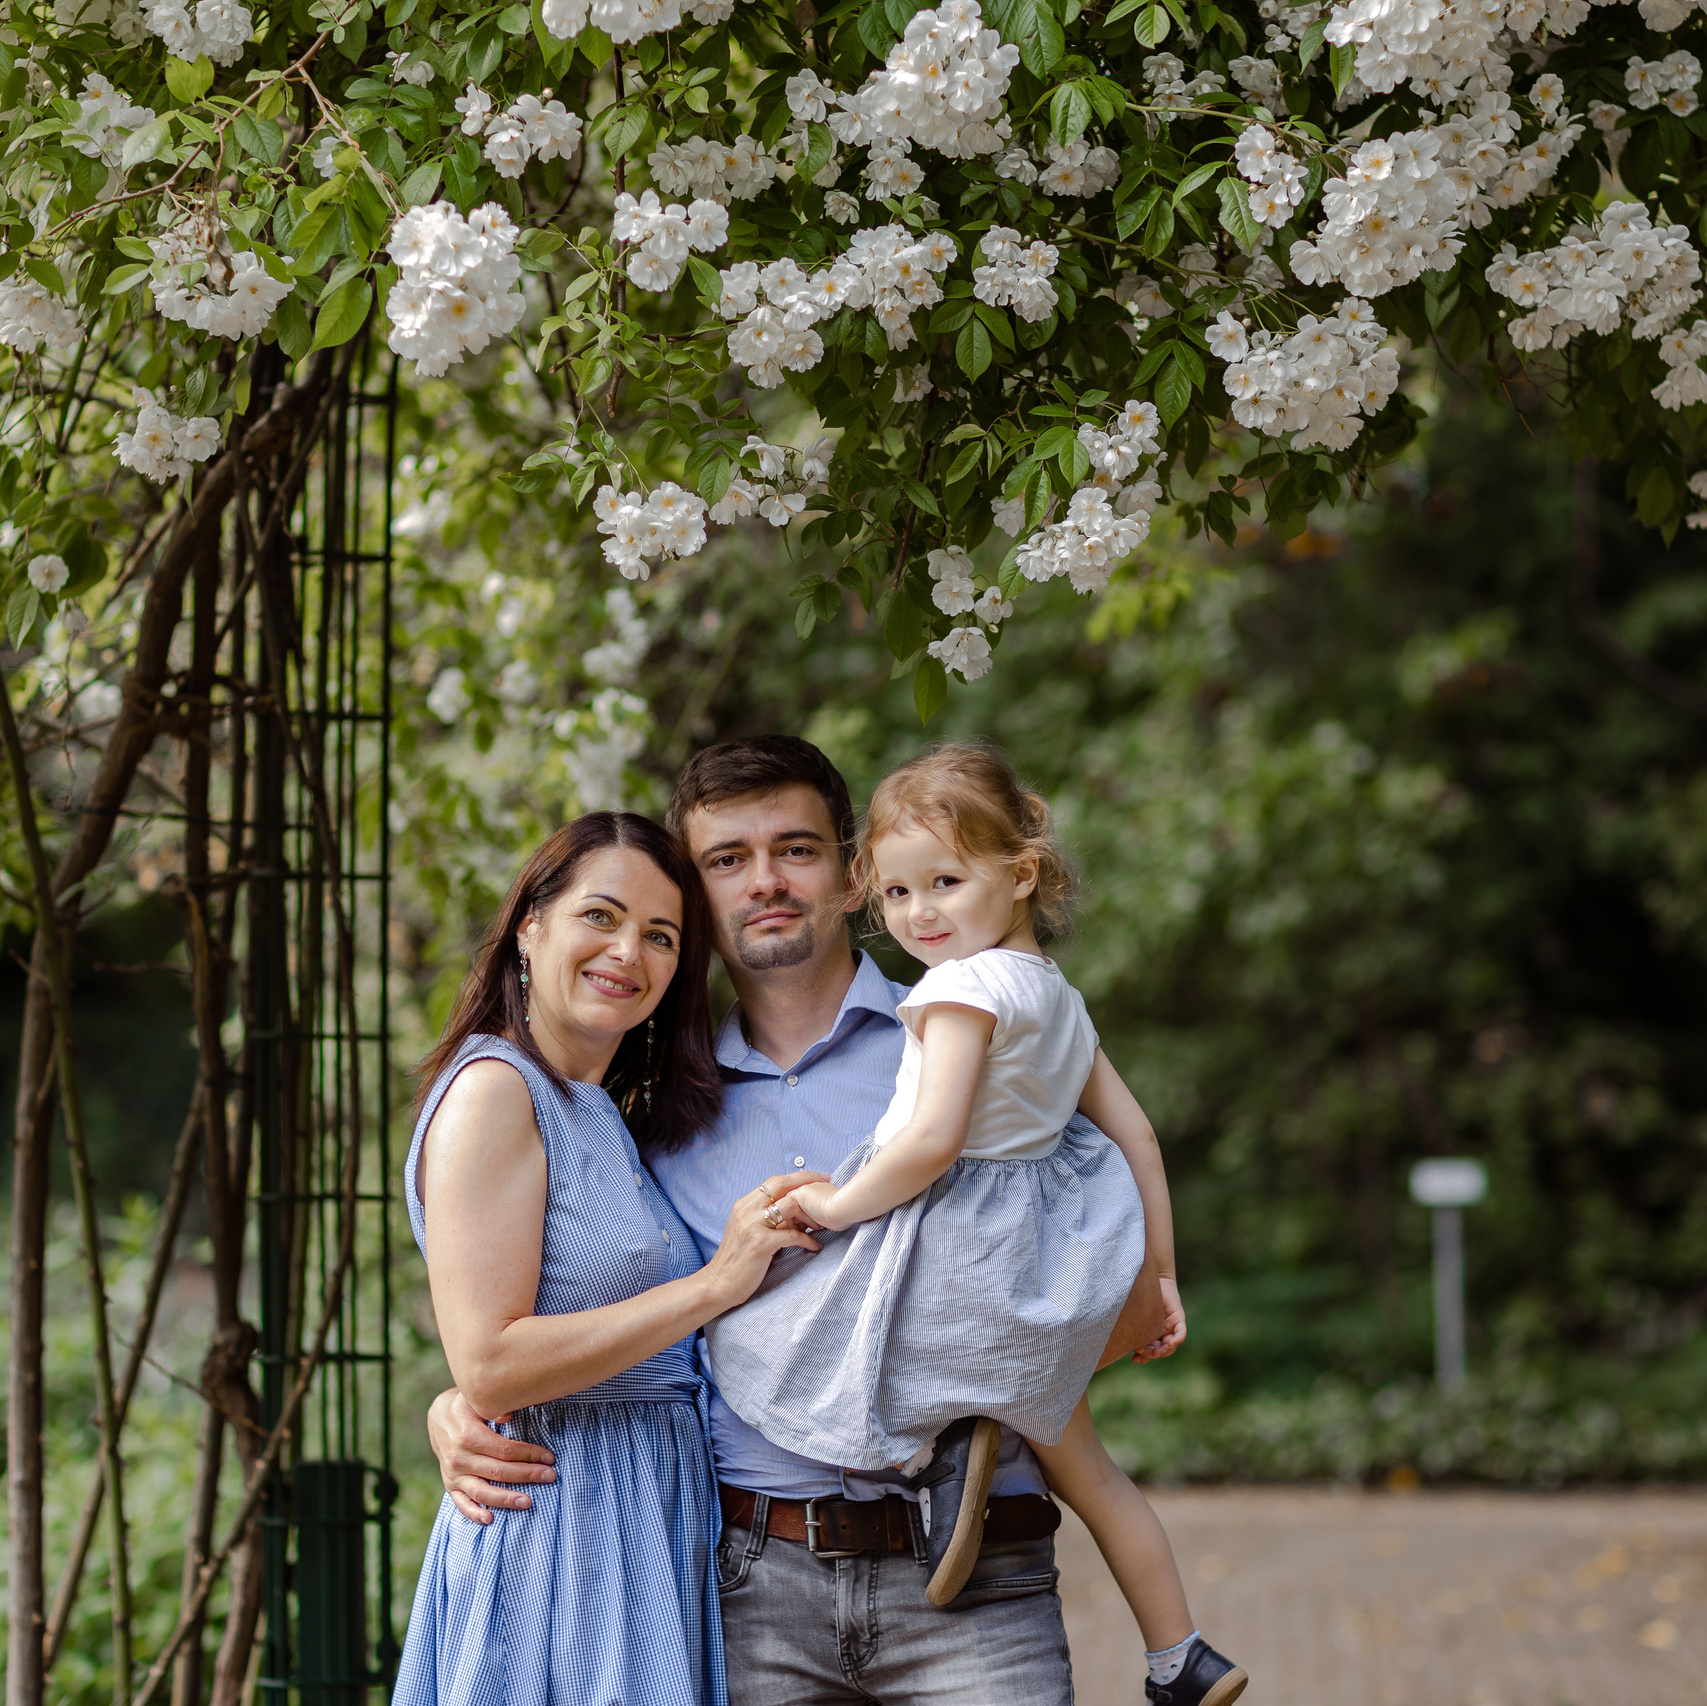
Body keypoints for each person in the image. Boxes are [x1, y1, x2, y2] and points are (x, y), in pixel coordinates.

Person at [426, 737, 1171, 1706]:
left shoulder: (971, 1038)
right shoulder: (647, 1106)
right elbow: (578, 1302)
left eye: (797, 848)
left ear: (855, 871)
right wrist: (463, 1403)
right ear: (697, 896)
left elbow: (1104, 1268)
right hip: (747, 1583)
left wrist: (1125, 1302)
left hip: (972, 1570)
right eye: (726, 860)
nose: (765, 880)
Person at [706, 743, 1247, 1706]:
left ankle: (926, 1457)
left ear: (1022, 872)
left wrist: (830, 1202)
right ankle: (1178, 1654)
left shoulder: (955, 989)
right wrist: (1159, 1274)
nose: (919, 916)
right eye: (903, 894)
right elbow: (1140, 1138)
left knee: (804, 1326)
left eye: (945, 884)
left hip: (958, 1240)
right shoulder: (1060, 1000)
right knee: (1090, 1472)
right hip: (1034, 1256)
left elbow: (927, 1146)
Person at [393, 811, 821, 1706]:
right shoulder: (494, 1091)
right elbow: (490, 1362)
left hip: (643, 1528)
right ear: (529, 925)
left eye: (660, 936)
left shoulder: (597, 1111)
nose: (628, 951)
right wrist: (714, 1284)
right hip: (563, 1540)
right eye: (601, 915)